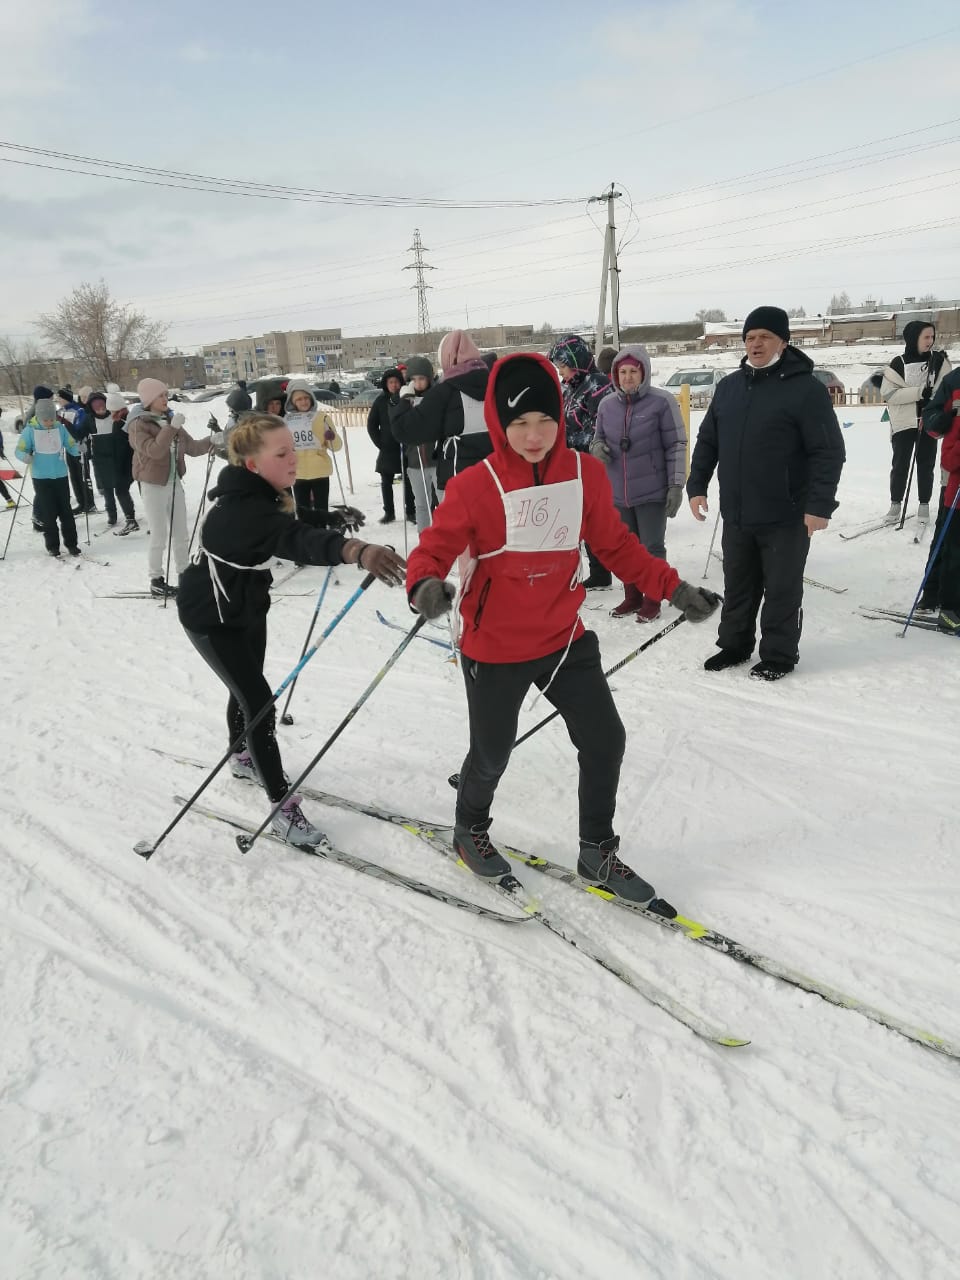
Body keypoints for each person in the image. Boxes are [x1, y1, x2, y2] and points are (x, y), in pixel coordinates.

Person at [406, 354, 719, 904]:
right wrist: (425, 585)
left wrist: (673, 589)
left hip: (561, 637)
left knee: (605, 739)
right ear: (499, 422)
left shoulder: (583, 474)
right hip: (495, 646)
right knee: (492, 753)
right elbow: (434, 546)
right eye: (520, 423)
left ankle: (596, 849)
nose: (534, 436)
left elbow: (617, 546)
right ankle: (468, 828)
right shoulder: (475, 484)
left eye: (546, 421)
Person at [177, 412, 406, 848]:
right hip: (210, 617)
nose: (294, 459)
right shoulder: (243, 511)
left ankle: (240, 754)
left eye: (293, 449)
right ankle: (281, 808)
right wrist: (355, 550)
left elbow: (293, 521)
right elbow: (294, 539)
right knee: (259, 703)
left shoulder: (259, 492)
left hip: (244, 607)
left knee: (247, 688)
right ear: (252, 464)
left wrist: (331, 515)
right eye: (282, 453)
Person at [687, 306, 846, 681]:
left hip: (786, 514)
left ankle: (778, 655)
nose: (755, 344)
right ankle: (735, 645)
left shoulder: (806, 390)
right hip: (738, 513)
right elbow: (708, 441)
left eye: (765, 337)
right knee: (738, 585)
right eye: (750, 337)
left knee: (781, 589)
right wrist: (697, 486)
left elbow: (828, 451)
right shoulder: (729, 387)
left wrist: (819, 505)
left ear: (783, 342)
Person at [591, 345, 687, 622]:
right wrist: (596, 448)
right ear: (615, 374)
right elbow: (597, 438)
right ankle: (632, 596)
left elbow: (676, 445)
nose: (628, 377)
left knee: (651, 548)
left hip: (652, 491)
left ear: (643, 373)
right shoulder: (607, 405)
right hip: (617, 493)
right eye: (622, 372)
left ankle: (653, 599)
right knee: (624, 549)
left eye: (633, 371)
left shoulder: (662, 402)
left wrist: (676, 485)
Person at [128, 377, 214, 597]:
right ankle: (156, 580)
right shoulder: (138, 425)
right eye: (160, 395)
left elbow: (193, 447)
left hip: (175, 483)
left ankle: (185, 576)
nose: (165, 398)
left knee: (181, 534)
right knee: (159, 534)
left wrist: (215, 440)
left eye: (166, 394)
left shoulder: (170, 419)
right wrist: (171, 428)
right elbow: (155, 451)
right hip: (153, 485)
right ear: (149, 399)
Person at [548, 334, 616, 588]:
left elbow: (603, 427)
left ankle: (603, 571)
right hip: (571, 463)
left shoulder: (598, 385)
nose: (560, 372)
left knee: (592, 518)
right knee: (578, 519)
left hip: (591, 462)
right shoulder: (569, 387)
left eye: (563, 366)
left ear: (575, 362)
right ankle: (594, 571)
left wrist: (570, 441)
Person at [390, 330, 492, 497]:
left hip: (459, 482)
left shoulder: (445, 392)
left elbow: (404, 429)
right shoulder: (495, 385)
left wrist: (405, 400)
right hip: (495, 478)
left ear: (448, 358)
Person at [880, 322, 951, 524]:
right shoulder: (898, 363)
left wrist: (932, 403)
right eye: (925, 337)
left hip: (928, 421)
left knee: (926, 464)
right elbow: (889, 394)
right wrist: (919, 392)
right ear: (913, 339)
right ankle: (895, 504)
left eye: (932, 337)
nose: (930, 341)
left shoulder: (938, 361)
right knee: (900, 464)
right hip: (904, 422)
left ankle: (924, 505)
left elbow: (944, 388)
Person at [15, 399, 81, 556]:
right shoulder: (30, 430)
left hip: (60, 475)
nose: (49, 423)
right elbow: (19, 450)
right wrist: (25, 456)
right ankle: (53, 546)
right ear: (38, 417)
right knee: (48, 512)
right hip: (41, 477)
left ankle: (72, 544)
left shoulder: (60, 428)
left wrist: (79, 449)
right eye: (46, 420)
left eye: (52, 419)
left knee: (66, 512)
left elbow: (70, 445)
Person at [920, 364, 960, 616]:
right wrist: (940, 421)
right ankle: (933, 593)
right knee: (946, 538)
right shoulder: (954, 380)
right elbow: (931, 419)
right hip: (954, 475)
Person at [389, 355, 437, 532]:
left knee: (444, 502)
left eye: (421, 379)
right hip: (415, 462)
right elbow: (397, 427)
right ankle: (424, 539)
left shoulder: (436, 396)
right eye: (413, 379)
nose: (418, 383)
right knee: (422, 504)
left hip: (437, 460)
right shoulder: (404, 399)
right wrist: (404, 401)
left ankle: (446, 538)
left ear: (429, 378)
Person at [283, 378, 343, 517]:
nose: (303, 402)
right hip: (298, 472)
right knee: (303, 512)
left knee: (321, 511)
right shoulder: (287, 421)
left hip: (319, 470)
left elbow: (336, 447)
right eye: (299, 399)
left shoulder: (321, 418)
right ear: (292, 402)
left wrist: (331, 436)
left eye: (306, 398)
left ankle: (321, 530)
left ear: (311, 398)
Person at [367, 369, 415, 523]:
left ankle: (411, 511)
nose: (394, 385)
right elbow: (372, 425)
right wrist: (380, 443)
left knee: (409, 481)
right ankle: (389, 512)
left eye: (397, 382)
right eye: (391, 382)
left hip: (405, 446)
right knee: (386, 481)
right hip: (387, 448)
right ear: (386, 384)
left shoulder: (406, 398)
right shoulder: (380, 401)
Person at [101, 392, 139, 533]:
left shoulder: (120, 423)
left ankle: (131, 520)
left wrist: (117, 466)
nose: (110, 413)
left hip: (125, 464)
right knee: (144, 491)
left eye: (111, 410)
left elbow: (121, 447)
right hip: (135, 461)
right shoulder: (130, 418)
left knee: (121, 490)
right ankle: (153, 520)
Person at [56, 385, 97, 514]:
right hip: (68, 448)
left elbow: (79, 429)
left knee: (83, 476)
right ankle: (81, 502)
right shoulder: (60, 411)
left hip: (79, 448)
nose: (58, 400)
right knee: (74, 477)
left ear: (66, 398)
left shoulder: (78, 410)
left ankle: (89, 503)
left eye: (60, 398)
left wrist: (66, 422)